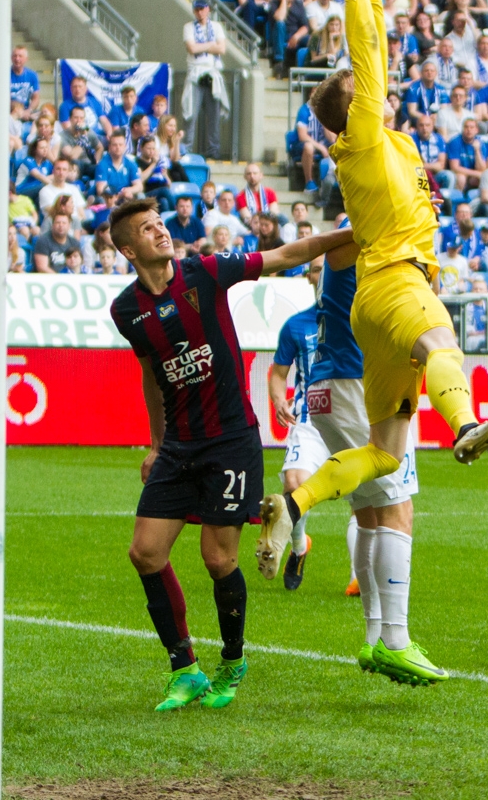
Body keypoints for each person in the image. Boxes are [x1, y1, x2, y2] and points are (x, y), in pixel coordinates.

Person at [255, 0, 488, 606]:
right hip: (395, 282)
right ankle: (467, 422)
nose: (381, 86)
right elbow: (369, 52)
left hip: (373, 301)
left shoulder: (382, 146)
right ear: (357, 106)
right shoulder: (369, 136)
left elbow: (373, 60)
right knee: (442, 338)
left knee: (385, 450)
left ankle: (297, 501)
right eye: (368, 89)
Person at [107, 197, 352, 712]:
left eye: (160, 222)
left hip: (230, 440)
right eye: (146, 229)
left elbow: (288, 254)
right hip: (178, 446)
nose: (160, 231)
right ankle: (185, 669)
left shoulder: (205, 273)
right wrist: (156, 442)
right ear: (128, 250)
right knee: (145, 552)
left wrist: (349, 236)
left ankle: (233, 661)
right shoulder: (127, 311)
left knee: (218, 559)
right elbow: (153, 374)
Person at [306, 237, 428, 681]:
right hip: (357, 382)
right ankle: (396, 640)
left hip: (328, 384)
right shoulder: (372, 230)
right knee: (397, 506)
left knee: (370, 511)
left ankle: (375, 637)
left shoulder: (370, 233)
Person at [268, 257, 328, 590]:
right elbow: (278, 374)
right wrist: (279, 399)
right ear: (310, 277)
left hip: (356, 417)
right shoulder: (296, 325)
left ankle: (359, 580)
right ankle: (299, 544)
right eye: (318, 270)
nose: (325, 276)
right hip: (311, 416)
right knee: (293, 483)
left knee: (369, 503)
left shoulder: (360, 318)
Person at [182, 0, 228, 159]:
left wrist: (204, 46)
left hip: (212, 74)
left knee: (213, 115)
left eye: (202, 9)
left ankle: (213, 150)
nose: (200, 12)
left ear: (208, 9)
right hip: (195, 74)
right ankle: (186, 149)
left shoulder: (216, 27)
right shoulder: (188, 27)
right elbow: (192, 48)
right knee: (190, 113)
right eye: (197, 9)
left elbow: (222, 49)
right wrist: (210, 45)